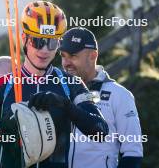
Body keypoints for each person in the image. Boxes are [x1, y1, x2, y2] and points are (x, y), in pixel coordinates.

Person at [0, 1, 109, 168]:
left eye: (51, 43)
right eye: (37, 41)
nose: (44, 50)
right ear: (24, 38)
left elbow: (101, 131)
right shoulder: (0, 87)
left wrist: (66, 106)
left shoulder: (71, 84)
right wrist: (0, 128)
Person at [59, 27, 143, 168]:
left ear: (93, 55)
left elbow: (133, 153)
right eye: (63, 55)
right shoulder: (56, 90)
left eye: (73, 56)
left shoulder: (120, 95)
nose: (66, 63)